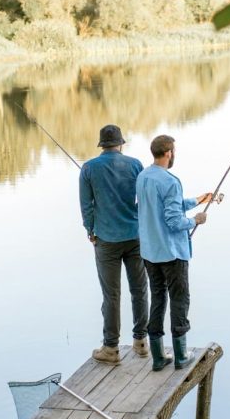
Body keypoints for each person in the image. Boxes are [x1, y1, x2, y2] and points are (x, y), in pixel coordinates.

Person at [136, 134, 212, 371]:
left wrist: (197, 200)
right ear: (168, 152)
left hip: (150, 252)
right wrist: (195, 220)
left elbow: (162, 206)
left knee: (158, 298)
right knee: (180, 299)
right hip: (172, 253)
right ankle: (181, 356)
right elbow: (173, 220)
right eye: (174, 151)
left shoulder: (143, 176)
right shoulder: (170, 181)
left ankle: (159, 357)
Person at [80, 124, 149, 365]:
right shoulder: (135, 165)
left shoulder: (88, 168)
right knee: (139, 290)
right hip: (134, 236)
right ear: (120, 144)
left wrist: (90, 230)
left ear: (102, 145)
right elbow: (144, 199)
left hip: (106, 239)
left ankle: (111, 348)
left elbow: (86, 206)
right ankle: (141, 342)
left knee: (111, 295)